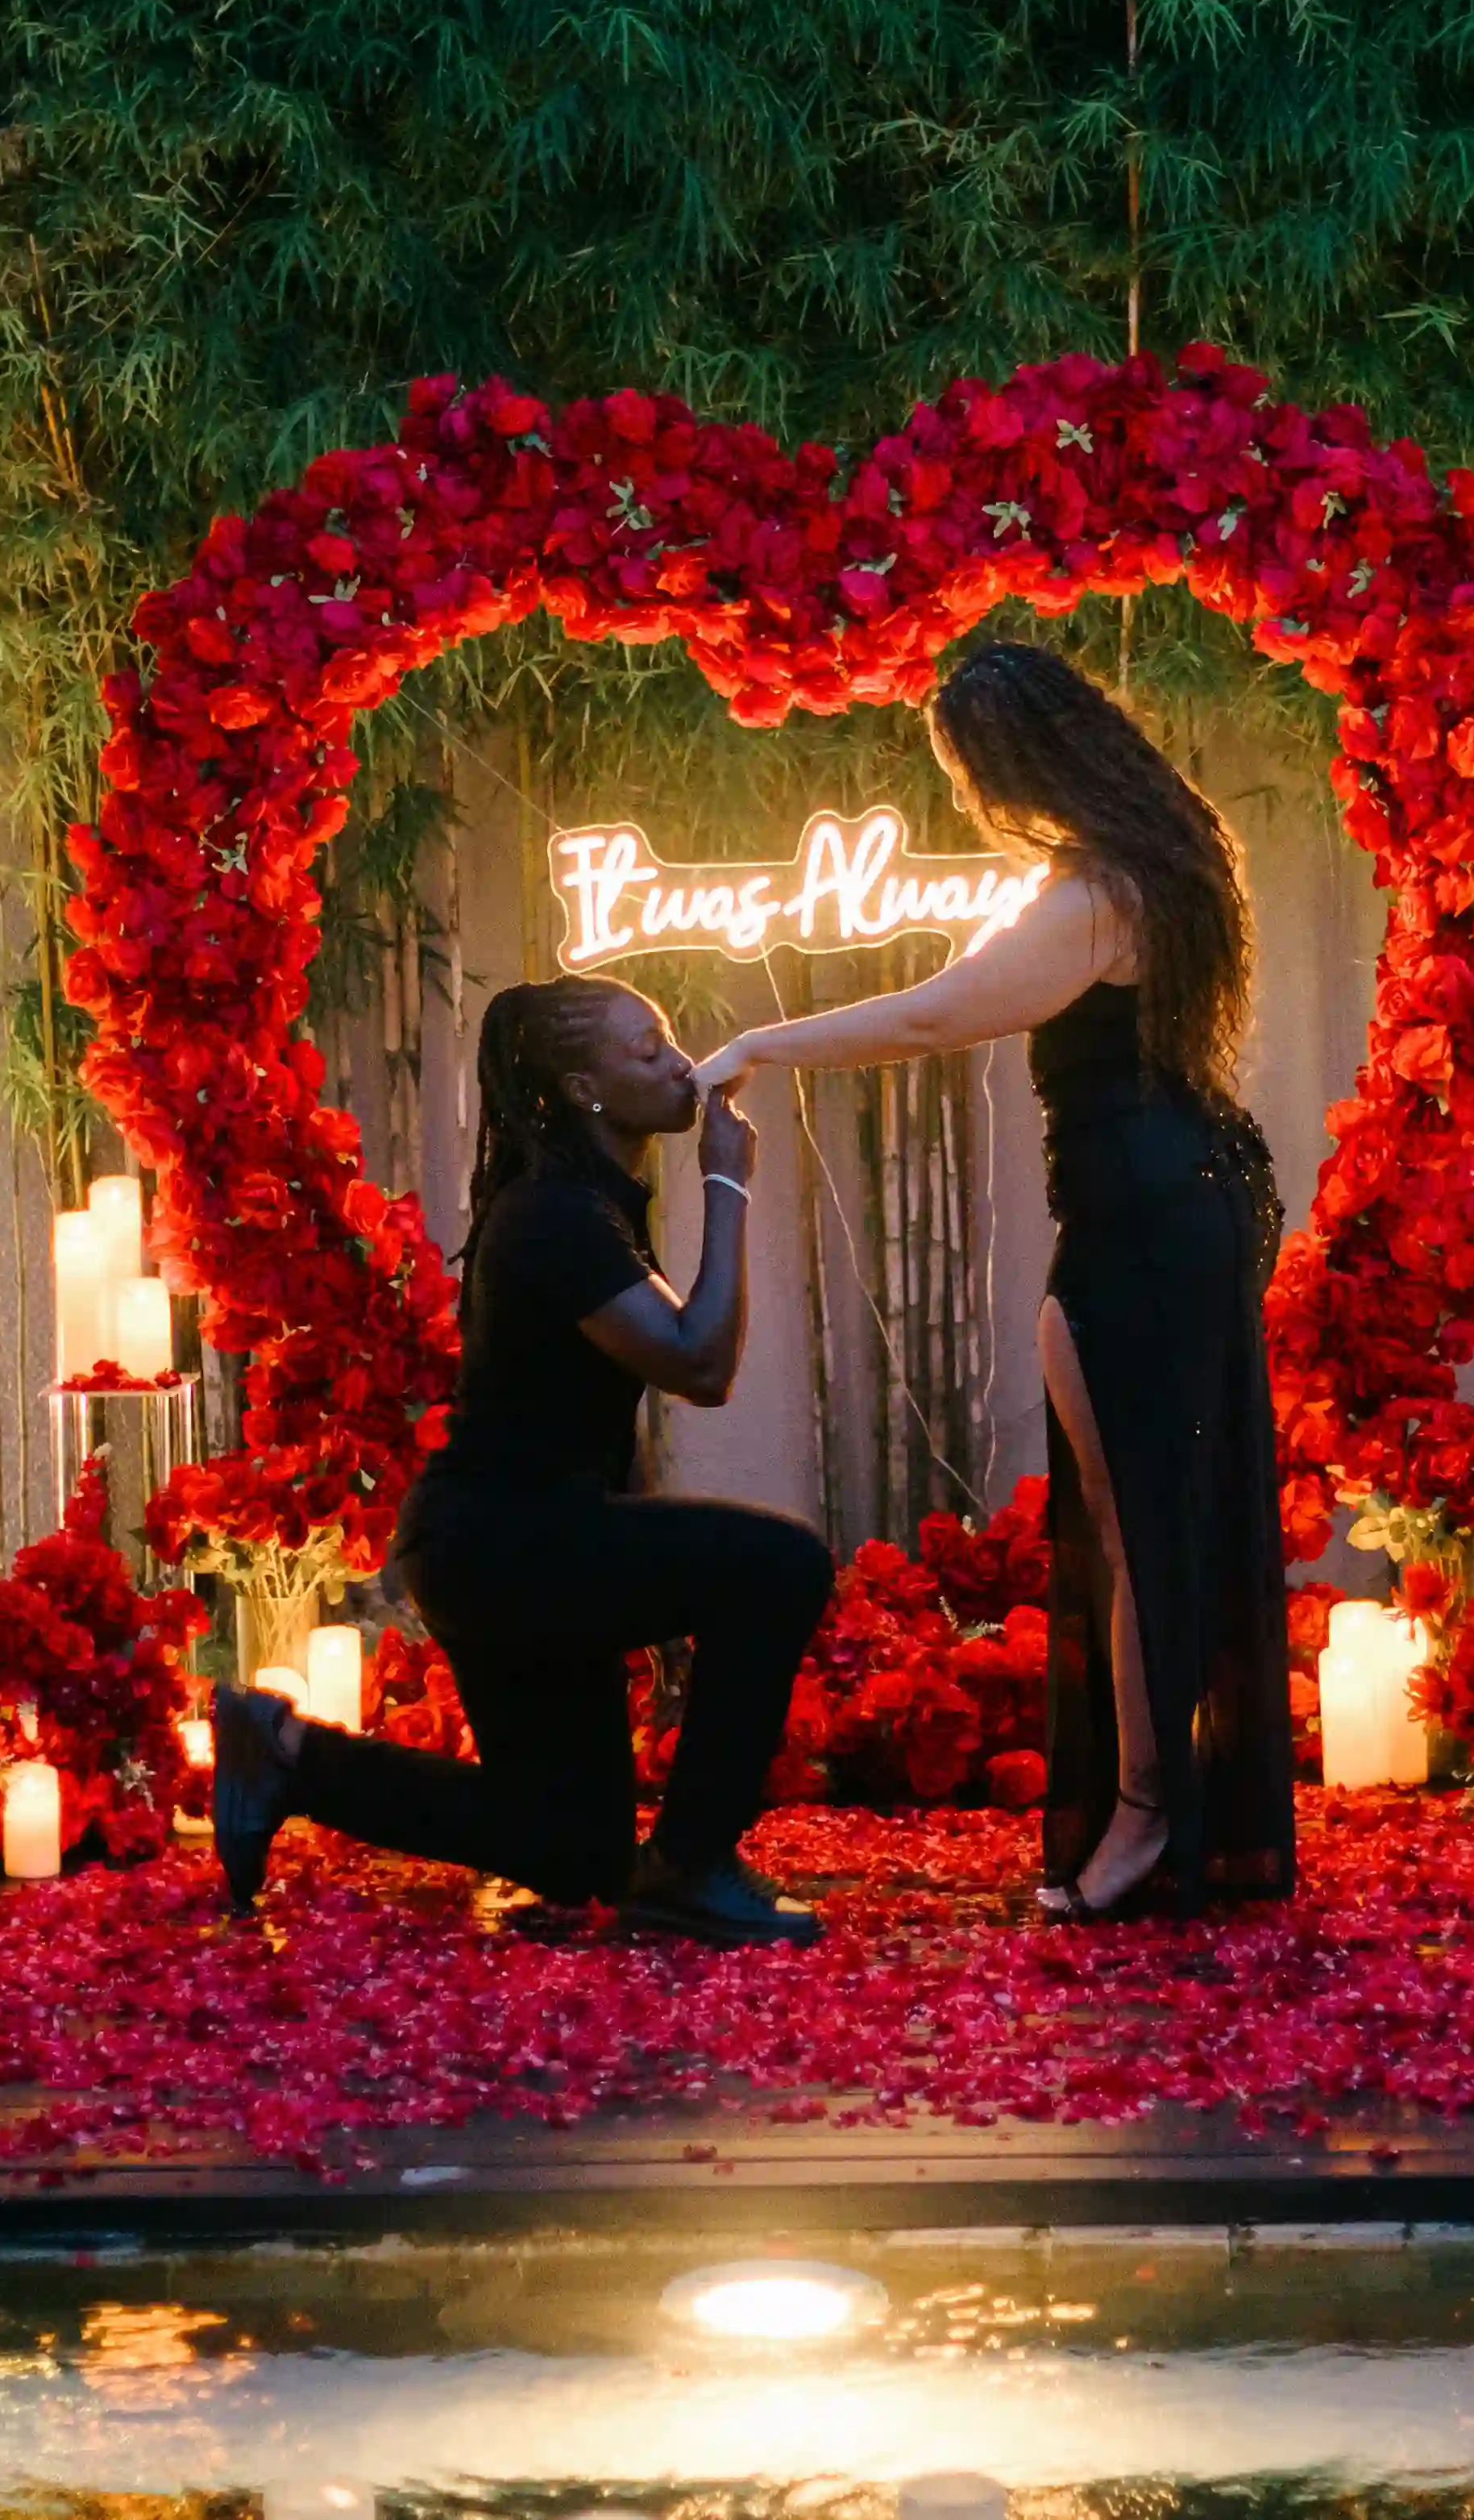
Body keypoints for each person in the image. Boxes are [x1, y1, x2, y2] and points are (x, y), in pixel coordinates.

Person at [695, 639, 1294, 1915]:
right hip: (1175, 1197)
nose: (973, 799)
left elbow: (936, 1013)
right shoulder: (1164, 859)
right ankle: (1157, 1805)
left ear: (1012, 764)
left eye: (969, 774)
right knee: (1146, 1516)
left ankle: (1145, 1816)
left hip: (1142, 1220)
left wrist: (759, 1041)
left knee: (1136, 1524)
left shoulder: (1094, 894)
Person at [205, 974, 835, 1947]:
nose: (680, 1065)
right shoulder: (556, 1217)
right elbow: (701, 1364)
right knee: (782, 1564)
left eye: (671, 1040)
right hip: (503, 1545)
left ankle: (286, 1753)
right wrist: (727, 1181)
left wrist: (654, 1581)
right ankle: (691, 1865)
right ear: (584, 1090)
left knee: (572, 1848)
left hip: (514, 1541)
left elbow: (600, 1412)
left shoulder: (586, 1202)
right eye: (647, 1050)